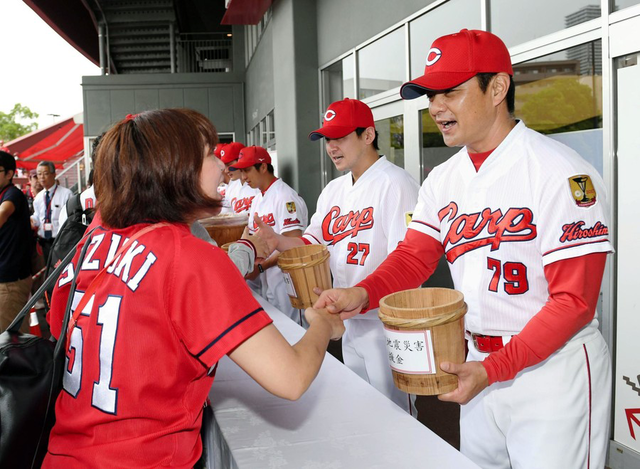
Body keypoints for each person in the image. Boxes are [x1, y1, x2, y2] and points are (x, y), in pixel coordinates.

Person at [313, 29, 613, 469]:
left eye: (450, 92)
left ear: (497, 88)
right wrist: (362, 294)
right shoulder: (443, 178)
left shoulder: (559, 172)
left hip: (552, 369)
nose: (436, 107)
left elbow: (575, 302)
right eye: (431, 95)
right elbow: (414, 257)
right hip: (475, 362)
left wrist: (495, 368)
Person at [42, 109, 344, 468]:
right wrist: (322, 323)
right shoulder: (189, 256)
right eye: (210, 155)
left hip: (63, 455)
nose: (223, 168)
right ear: (176, 169)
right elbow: (290, 378)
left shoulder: (90, 242)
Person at [254, 98, 420, 413]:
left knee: (397, 414)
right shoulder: (334, 190)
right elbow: (311, 244)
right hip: (347, 318)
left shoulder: (396, 183)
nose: (331, 146)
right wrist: (276, 240)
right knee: (361, 407)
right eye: (328, 138)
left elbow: (409, 257)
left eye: (340, 136)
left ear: (368, 135)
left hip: (386, 321)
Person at [233, 145, 309, 325]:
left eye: (247, 170)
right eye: (241, 171)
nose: (243, 177)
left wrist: (259, 268)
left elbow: (293, 246)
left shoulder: (285, 197)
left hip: (288, 283)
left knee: (296, 334)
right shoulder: (258, 198)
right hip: (268, 280)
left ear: (263, 167)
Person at [0, 151, 32, 333]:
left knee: (10, 340)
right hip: (5, 279)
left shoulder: (13, 194)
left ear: (9, 174)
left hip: (10, 282)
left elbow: (3, 213)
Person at [31, 161, 72, 263]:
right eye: (39, 174)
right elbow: (38, 215)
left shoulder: (66, 194)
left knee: (59, 269)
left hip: (60, 241)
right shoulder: (39, 197)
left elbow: (71, 218)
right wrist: (33, 220)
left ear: (54, 174)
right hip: (44, 241)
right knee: (48, 268)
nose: (42, 177)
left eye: (45, 173)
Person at [220, 141, 260, 215]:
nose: (226, 170)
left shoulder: (258, 185)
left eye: (229, 165)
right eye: (224, 166)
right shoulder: (231, 187)